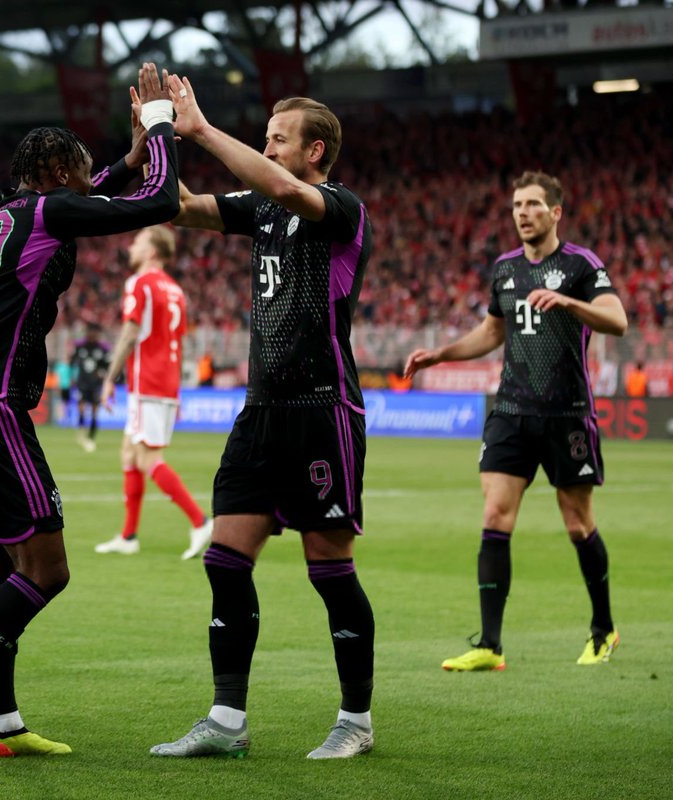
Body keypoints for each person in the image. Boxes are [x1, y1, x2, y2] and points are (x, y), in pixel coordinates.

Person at [0, 63, 180, 775]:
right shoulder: (52, 211)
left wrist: (122, 159)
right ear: (57, 169)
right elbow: (155, 203)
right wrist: (159, 129)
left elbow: (98, 194)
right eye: (81, 171)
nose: (90, 183)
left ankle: (2, 721)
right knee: (48, 569)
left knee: (2, 562)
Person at [149, 79, 376, 760]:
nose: (268, 143)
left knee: (328, 566)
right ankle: (225, 720)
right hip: (261, 412)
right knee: (225, 561)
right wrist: (156, 138)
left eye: (278, 137)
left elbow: (282, 190)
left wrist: (203, 129)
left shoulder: (338, 207)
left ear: (314, 149)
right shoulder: (263, 208)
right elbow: (181, 209)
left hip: (321, 409)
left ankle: (356, 721)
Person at [404, 170, 628, 671]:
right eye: (516, 205)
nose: (522, 212)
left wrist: (569, 302)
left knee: (577, 523)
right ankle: (489, 644)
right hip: (510, 412)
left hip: (566, 415)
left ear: (555, 212)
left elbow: (618, 319)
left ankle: (603, 629)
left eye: (532, 204)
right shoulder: (505, 269)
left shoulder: (580, 265)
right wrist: (442, 354)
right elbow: (491, 332)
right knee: (495, 516)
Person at [94, 225, 212, 559]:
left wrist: (109, 378)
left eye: (138, 242)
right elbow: (178, 341)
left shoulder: (140, 283)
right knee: (129, 453)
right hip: (164, 382)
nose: (131, 246)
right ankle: (129, 536)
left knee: (147, 458)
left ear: (152, 252)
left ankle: (200, 521)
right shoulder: (175, 290)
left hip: (148, 382)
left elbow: (131, 333)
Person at [69, 320, 110, 452]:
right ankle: (81, 434)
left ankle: (91, 438)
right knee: (81, 408)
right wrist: (72, 377)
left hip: (95, 385)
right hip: (82, 383)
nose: (92, 334)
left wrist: (102, 373)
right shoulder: (80, 346)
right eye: (90, 331)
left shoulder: (103, 348)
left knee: (94, 412)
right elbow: (72, 361)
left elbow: (107, 366)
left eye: (95, 332)